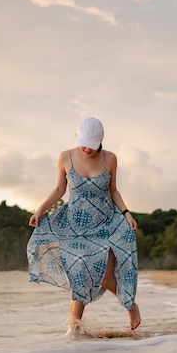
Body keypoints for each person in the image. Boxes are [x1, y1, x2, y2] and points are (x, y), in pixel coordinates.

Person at [27, 117, 141, 334]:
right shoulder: (65, 157)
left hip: (106, 223)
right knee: (77, 272)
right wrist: (40, 210)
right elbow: (60, 190)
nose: (87, 148)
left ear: (101, 140)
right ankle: (73, 330)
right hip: (74, 226)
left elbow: (113, 191)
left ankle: (131, 306)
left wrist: (126, 213)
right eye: (83, 142)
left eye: (92, 143)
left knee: (106, 277)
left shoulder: (110, 159)